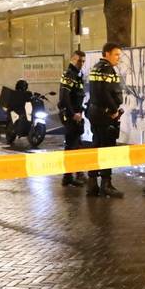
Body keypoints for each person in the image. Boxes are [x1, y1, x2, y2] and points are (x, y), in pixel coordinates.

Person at [86, 42, 124, 198]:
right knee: (107, 149)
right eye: (116, 54)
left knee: (96, 146)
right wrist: (113, 110)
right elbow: (104, 92)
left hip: (95, 112)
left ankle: (92, 184)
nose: (118, 58)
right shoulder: (107, 69)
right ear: (107, 53)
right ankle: (106, 185)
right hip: (105, 114)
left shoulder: (96, 67)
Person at [58, 51, 88, 187]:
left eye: (83, 61)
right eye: (79, 61)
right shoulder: (70, 74)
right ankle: (69, 176)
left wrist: (80, 111)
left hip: (76, 114)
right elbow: (64, 97)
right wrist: (72, 114)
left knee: (76, 145)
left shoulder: (77, 75)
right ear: (72, 60)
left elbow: (77, 96)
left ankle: (73, 174)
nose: (81, 63)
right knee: (72, 146)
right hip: (71, 115)